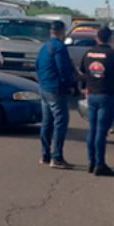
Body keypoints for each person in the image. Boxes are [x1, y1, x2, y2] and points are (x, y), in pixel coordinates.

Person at [81, 26, 114, 176]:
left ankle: (92, 162)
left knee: (93, 130)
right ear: (110, 39)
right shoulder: (113, 54)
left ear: (97, 38)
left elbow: (83, 71)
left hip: (92, 94)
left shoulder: (88, 53)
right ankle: (100, 165)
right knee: (101, 132)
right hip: (107, 95)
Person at [35, 20, 77, 169]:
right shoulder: (60, 48)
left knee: (47, 122)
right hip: (56, 89)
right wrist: (70, 86)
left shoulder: (45, 46)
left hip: (44, 87)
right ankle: (57, 156)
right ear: (62, 32)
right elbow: (63, 69)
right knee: (61, 122)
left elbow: (37, 65)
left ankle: (45, 155)